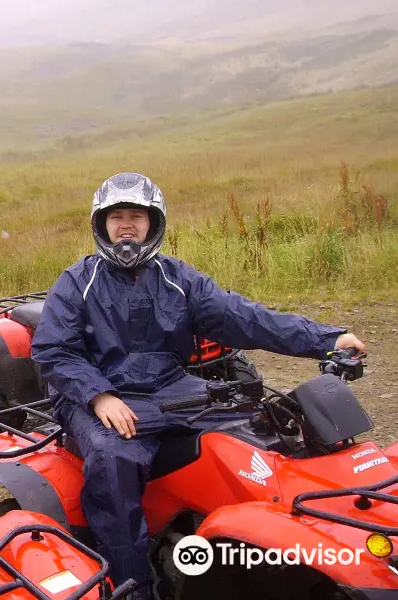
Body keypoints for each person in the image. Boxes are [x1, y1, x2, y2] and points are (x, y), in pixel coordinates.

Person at [30, 172, 364, 599]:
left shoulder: (178, 278)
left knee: (260, 425)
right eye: (117, 217)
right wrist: (99, 396)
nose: (126, 225)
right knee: (113, 461)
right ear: (102, 224)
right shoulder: (77, 281)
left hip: (169, 387)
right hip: (96, 394)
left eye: (137, 215)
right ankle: (130, 583)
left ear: (154, 223)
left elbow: (244, 317)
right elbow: (55, 351)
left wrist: (325, 339)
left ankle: (273, 542)